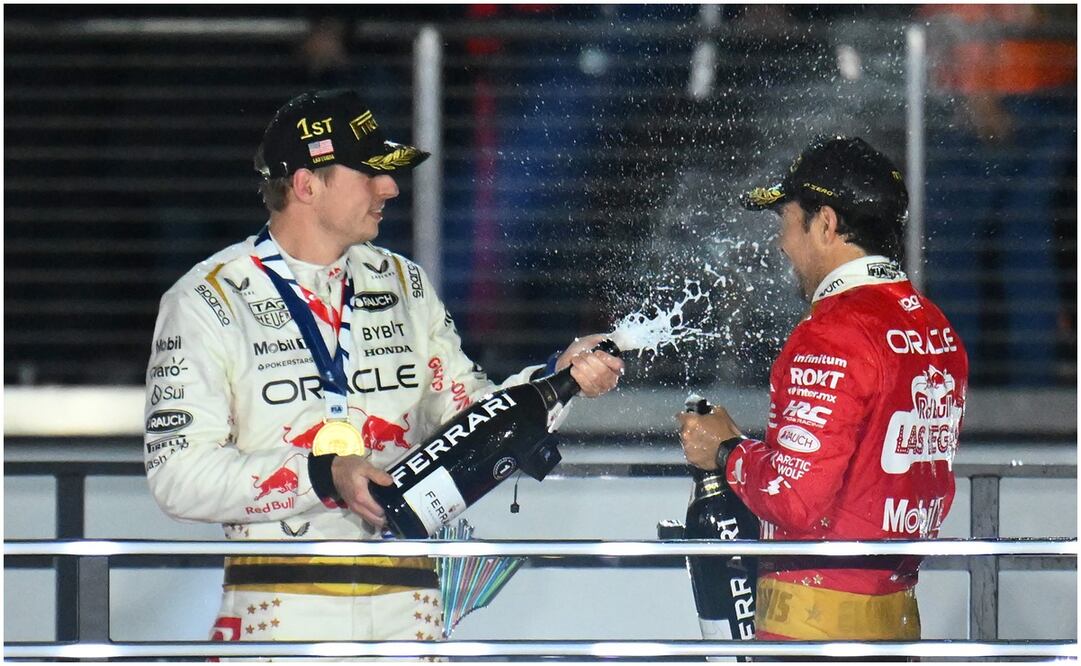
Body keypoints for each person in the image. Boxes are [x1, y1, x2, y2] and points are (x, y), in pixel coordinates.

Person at [143, 88, 624, 647]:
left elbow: (467, 417)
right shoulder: (208, 299)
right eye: (370, 173)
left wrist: (556, 380)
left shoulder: (403, 282)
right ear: (306, 184)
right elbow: (176, 477)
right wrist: (325, 475)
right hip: (280, 616)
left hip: (409, 608)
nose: (390, 187)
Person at [678, 136, 968, 651]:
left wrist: (725, 450)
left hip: (818, 620)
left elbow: (793, 498)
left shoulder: (833, 332)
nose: (781, 243)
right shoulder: (932, 325)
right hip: (897, 612)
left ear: (827, 223)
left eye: (786, 221)